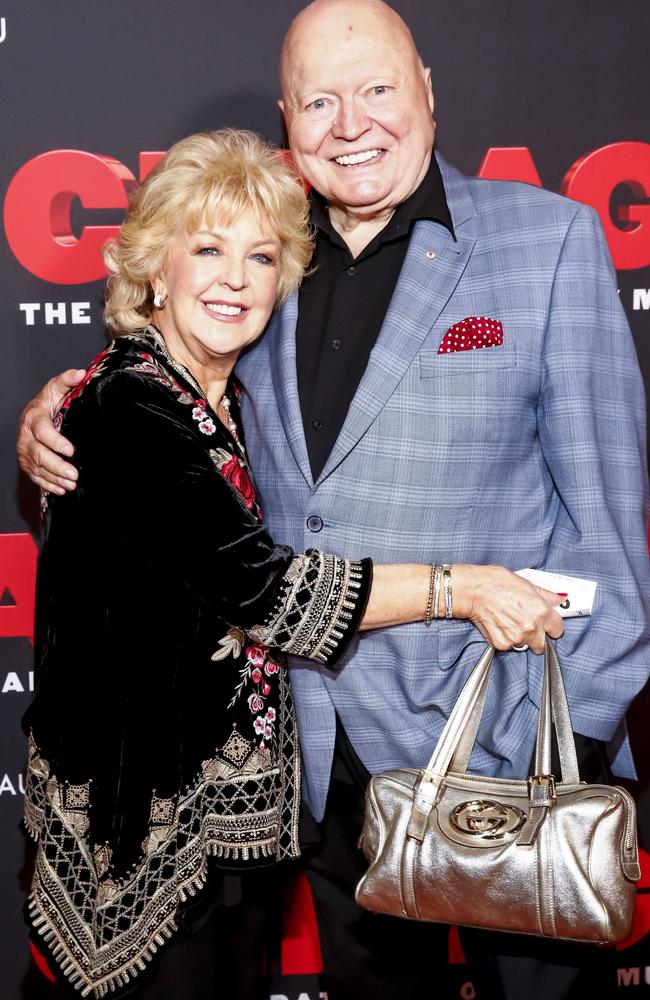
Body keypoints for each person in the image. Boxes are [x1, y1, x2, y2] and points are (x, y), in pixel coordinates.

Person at [17, 2, 650, 998]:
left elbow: (607, 532)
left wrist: (563, 747)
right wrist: (62, 407)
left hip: (497, 753)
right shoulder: (263, 255)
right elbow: (173, 403)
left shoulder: (549, 245)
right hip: (305, 773)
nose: (349, 122)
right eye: (319, 100)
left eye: (375, 90)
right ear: (287, 118)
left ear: (428, 95)